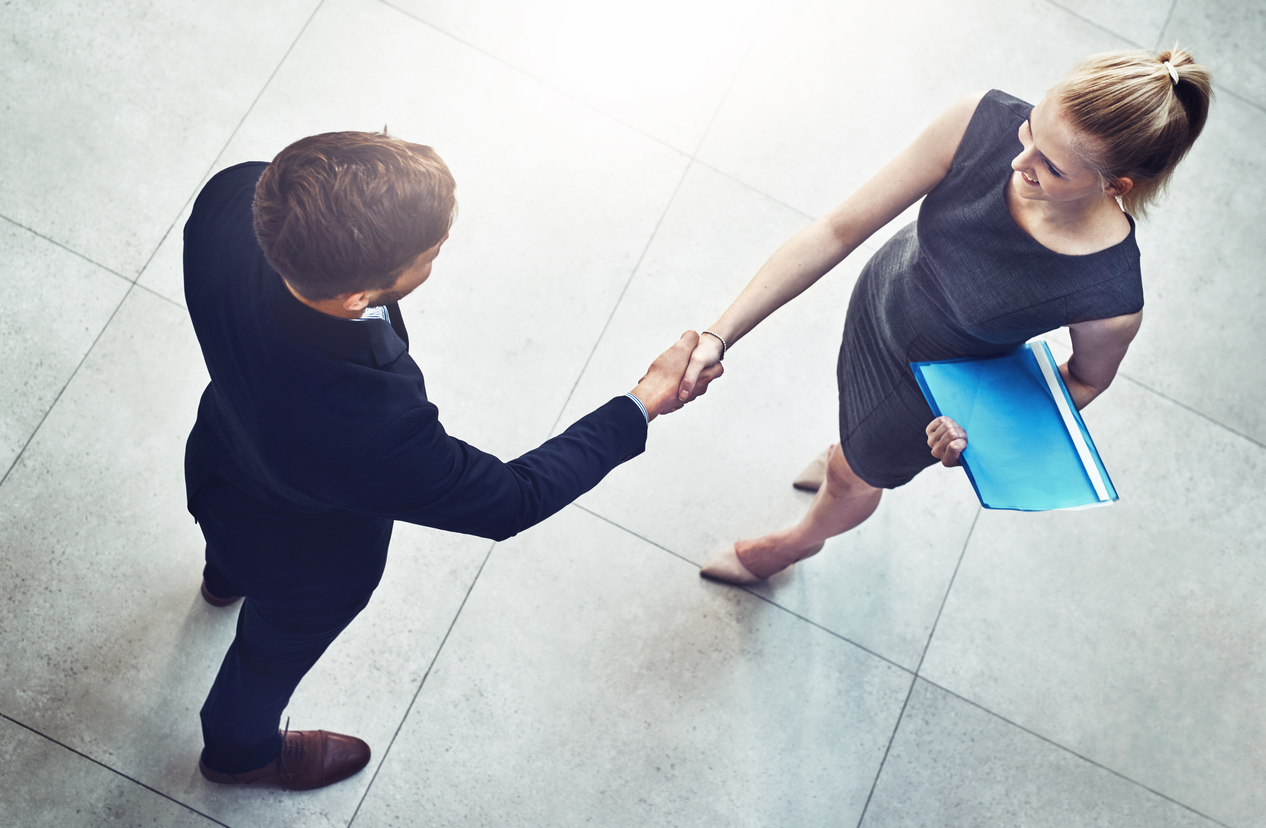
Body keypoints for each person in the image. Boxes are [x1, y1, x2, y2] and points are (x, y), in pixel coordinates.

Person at [182, 131, 721, 790]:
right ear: (359, 298)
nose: (438, 253)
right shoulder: (369, 428)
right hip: (304, 562)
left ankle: (222, 578)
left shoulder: (233, 198)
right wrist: (642, 402)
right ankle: (238, 752)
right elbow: (511, 499)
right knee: (270, 653)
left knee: (233, 545)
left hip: (221, 464)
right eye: (430, 253)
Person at [674, 48, 1212, 584]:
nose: (1017, 161)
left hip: (922, 396)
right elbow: (836, 231)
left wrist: (977, 428)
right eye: (1029, 132)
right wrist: (721, 335)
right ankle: (846, 452)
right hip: (878, 305)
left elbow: (1086, 381)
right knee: (850, 448)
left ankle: (792, 546)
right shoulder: (979, 119)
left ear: (1116, 186)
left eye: (1050, 167)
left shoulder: (1110, 292)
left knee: (851, 479)